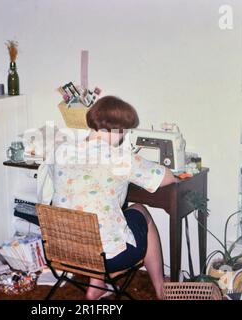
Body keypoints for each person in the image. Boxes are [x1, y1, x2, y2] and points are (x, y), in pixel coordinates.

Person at [51, 95, 177, 300]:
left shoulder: (62, 150)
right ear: (118, 129)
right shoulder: (121, 158)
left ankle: (97, 284)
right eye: (125, 130)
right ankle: (161, 288)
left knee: (91, 214)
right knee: (140, 210)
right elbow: (167, 177)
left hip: (65, 249)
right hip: (108, 258)